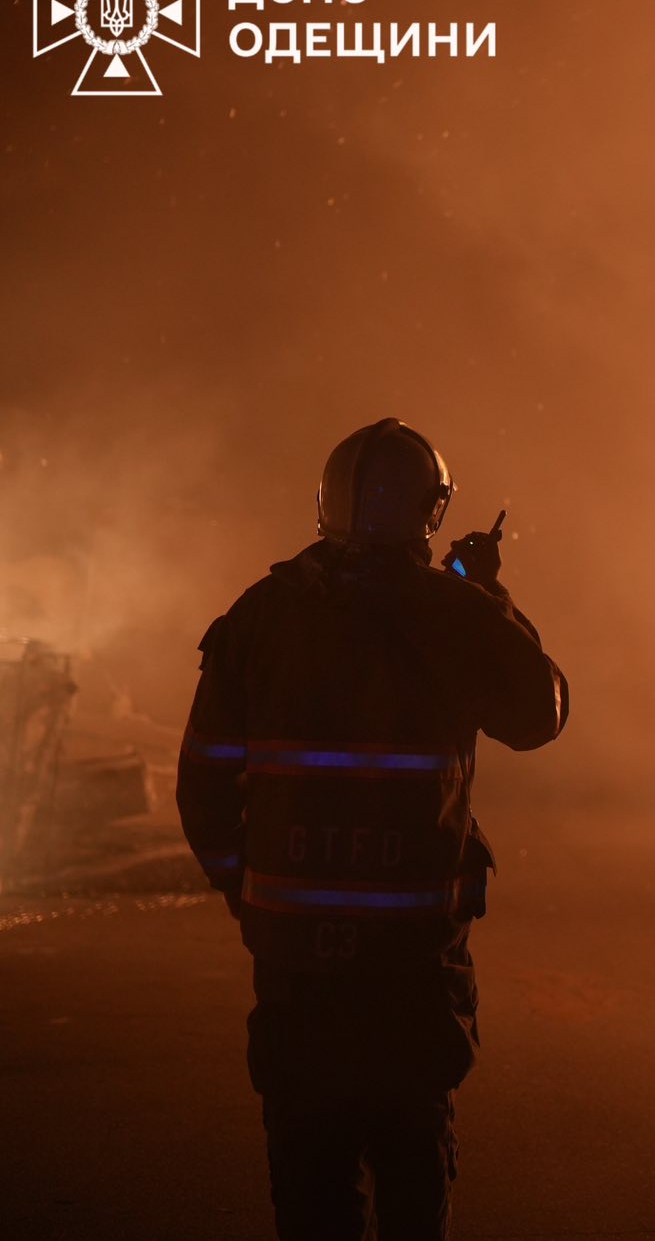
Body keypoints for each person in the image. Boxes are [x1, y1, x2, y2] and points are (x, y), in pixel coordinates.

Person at [176, 418, 568, 1240]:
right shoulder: (453, 614)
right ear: (430, 510)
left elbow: (202, 788)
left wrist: (253, 897)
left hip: (295, 966)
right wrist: (488, 593)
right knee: (410, 1180)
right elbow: (539, 713)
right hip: (412, 967)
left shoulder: (258, 618)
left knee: (311, 1183)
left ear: (326, 503)